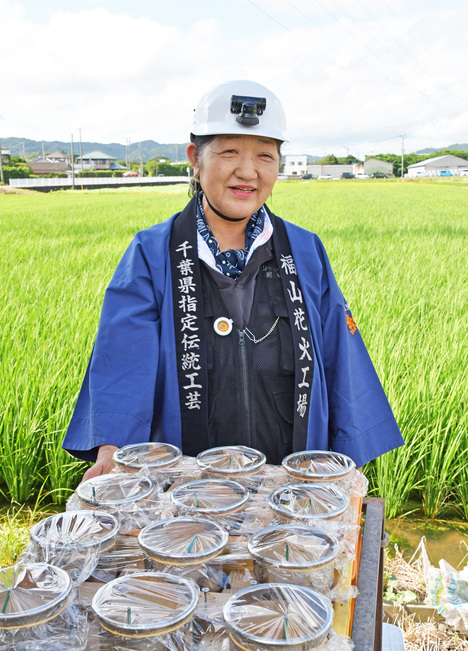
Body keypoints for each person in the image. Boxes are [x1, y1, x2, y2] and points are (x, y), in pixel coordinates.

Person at [63, 79, 404, 481]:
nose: (248, 171)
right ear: (196, 158)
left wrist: (350, 464)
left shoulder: (305, 251)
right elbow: (123, 359)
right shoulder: (153, 253)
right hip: (184, 487)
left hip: (290, 488)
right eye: (229, 152)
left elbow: (340, 355)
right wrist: (111, 448)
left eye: (265, 155)